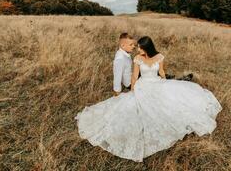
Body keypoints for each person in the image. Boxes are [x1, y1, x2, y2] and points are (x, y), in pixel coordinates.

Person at [75, 36, 222, 162]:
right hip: (143, 85)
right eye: (137, 47)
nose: (137, 50)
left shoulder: (159, 57)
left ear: (147, 48)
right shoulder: (138, 58)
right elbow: (134, 75)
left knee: (172, 103)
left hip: (157, 83)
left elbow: (162, 71)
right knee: (137, 107)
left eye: (140, 48)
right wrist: (133, 89)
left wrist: (166, 82)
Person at [112, 33, 193, 96]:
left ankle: (177, 80)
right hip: (131, 82)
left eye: (134, 44)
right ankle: (179, 80)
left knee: (156, 72)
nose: (134, 47)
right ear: (122, 45)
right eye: (131, 45)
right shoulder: (120, 59)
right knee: (155, 75)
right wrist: (117, 93)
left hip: (136, 76)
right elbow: (118, 77)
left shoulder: (124, 53)